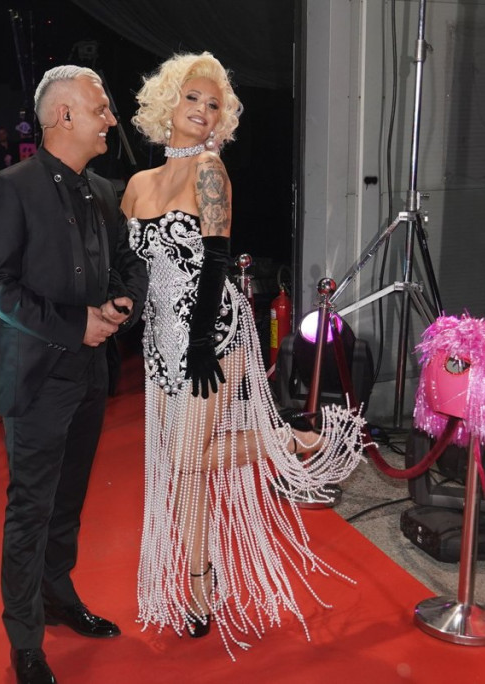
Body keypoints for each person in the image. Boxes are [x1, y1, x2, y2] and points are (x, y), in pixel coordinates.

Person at [120, 53, 365, 654]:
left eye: (214, 104)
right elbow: (133, 270)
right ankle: (200, 591)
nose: (203, 111)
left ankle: (289, 439)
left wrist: (202, 339)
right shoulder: (138, 186)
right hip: (161, 342)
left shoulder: (210, 171)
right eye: (192, 98)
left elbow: (217, 261)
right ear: (167, 102)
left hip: (215, 333)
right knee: (187, 469)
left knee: (187, 458)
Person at [0, 65, 148, 684]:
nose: (111, 119)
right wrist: (76, 324)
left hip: (92, 374)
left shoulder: (101, 190)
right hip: (37, 377)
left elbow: (127, 263)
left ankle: (57, 595)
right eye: (101, 109)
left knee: (69, 501)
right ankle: (24, 640)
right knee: (31, 508)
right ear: (64, 115)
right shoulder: (10, 188)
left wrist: (124, 303)